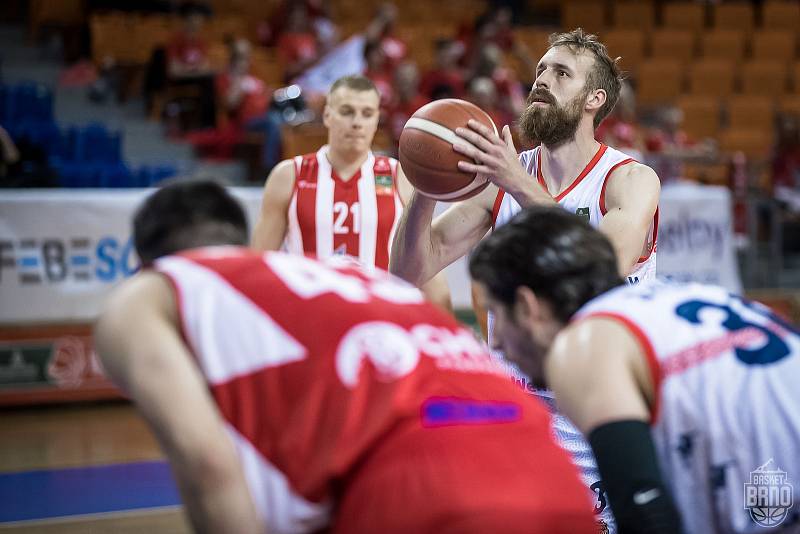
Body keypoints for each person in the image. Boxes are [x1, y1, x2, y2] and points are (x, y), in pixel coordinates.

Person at [94, 181, 599, 534]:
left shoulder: (152, 291)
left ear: (144, 263)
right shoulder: (355, 278)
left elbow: (207, 465)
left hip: (432, 490)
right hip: (554, 475)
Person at [390, 28, 662, 532]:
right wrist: (426, 186)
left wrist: (514, 180)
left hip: (596, 406)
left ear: (593, 99)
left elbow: (603, 260)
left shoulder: (628, 178)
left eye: (561, 73)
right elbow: (408, 272)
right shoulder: (499, 179)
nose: (541, 81)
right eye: (540, 70)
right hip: (517, 404)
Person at [470, 204, 800, 534]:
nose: (495, 341)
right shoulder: (670, 295)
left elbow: (646, 516)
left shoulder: (582, 345)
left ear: (529, 307)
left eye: (497, 314)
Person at [252, 74, 451, 309]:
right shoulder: (289, 175)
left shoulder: (400, 176)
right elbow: (259, 264)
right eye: (347, 112)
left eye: (367, 114)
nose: (357, 122)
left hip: (380, 319)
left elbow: (423, 262)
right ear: (327, 115)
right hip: (309, 320)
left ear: (377, 119)